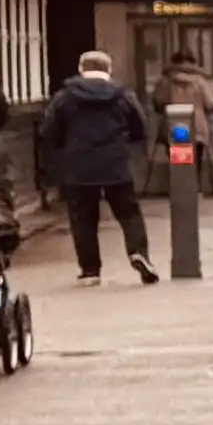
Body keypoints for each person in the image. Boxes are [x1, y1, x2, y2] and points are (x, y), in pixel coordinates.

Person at [41, 46, 162, 286]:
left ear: (81, 69)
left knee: (83, 218)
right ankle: (138, 252)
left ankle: (90, 270)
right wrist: (128, 140)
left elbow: (49, 129)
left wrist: (63, 147)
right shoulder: (122, 94)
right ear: (109, 69)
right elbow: (140, 124)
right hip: (114, 161)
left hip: (78, 163)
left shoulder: (65, 96)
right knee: (128, 213)